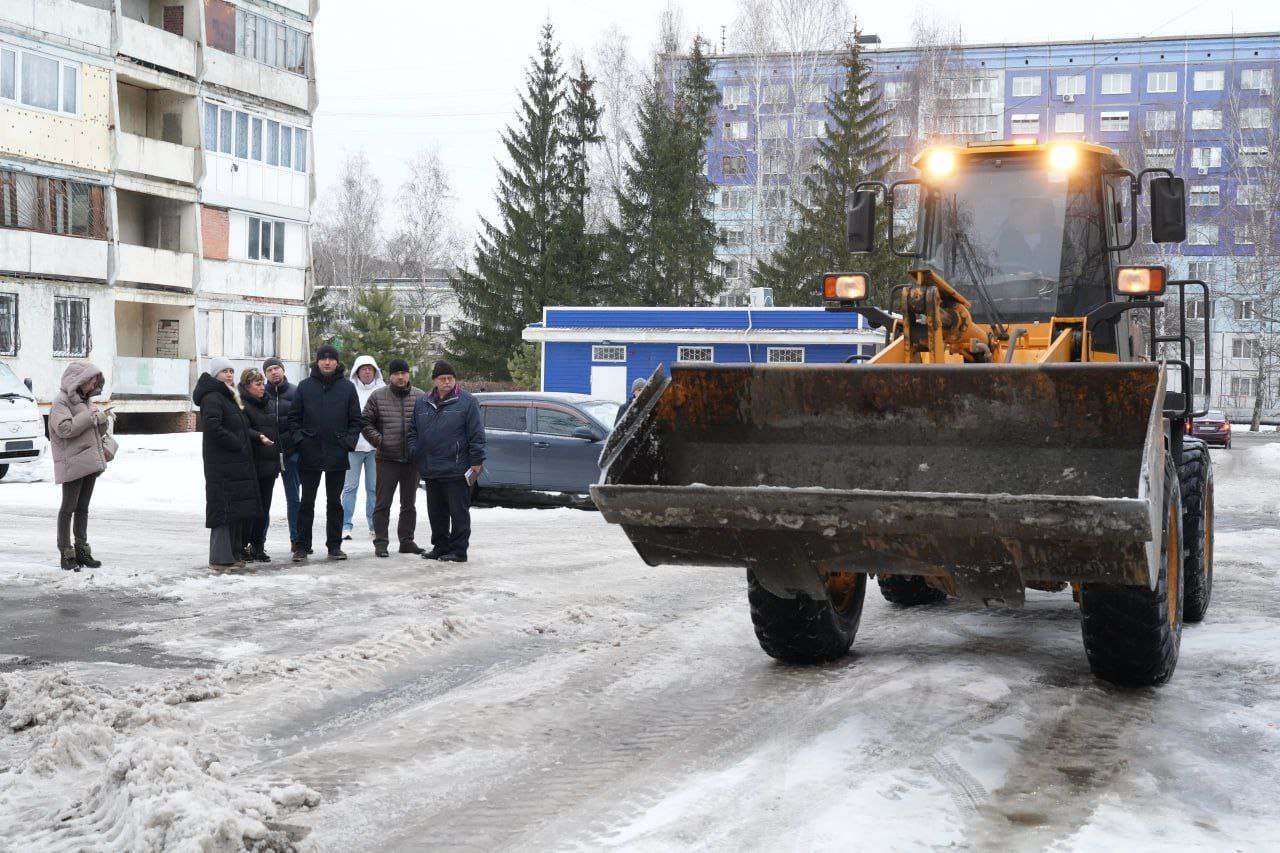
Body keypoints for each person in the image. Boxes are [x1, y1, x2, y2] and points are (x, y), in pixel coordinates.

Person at [285, 344, 362, 562]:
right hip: (309, 453)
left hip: (337, 453)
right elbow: (293, 418)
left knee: (335, 503)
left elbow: (356, 420)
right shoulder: (305, 386)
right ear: (317, 361)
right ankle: (302, 546)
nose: (327, 362)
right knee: (306, 502)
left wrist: (347, 442)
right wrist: (301, 441)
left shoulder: (347, 388)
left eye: (331, 359)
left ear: (337, 362)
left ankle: (334, 546)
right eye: (323, 358)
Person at [408, 360, 485, 563]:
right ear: (434, 380)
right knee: (436, 512)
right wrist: (415, 451)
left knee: (458, 513)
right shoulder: (422, 402)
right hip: (431, 466)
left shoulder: (467, 401)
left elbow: (477, 433)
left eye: (450, 378)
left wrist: (477, 460)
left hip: (457, 467)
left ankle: (459, 550)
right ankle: (440, 547)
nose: (447, 382)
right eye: (443, 378)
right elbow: (413, 431)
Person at [194, 358, 264, 571]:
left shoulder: (228, 395)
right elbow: (212, 427)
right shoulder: (213, 397)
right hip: (222, 464)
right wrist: (236, 443)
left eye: (231, 371)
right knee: (223, 511)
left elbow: (237, 425)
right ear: (215, 374)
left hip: (233, 463)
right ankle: (220, 558)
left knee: (234, 511)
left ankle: (232, 555)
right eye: (224, 371)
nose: (229, 375)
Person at [361, 358, 426, 558]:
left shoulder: (420, 396)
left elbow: (429, 424)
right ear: (390, 376)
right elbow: (365, 422)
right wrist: (381, 441)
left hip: (412, 461)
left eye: (403, 373)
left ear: (408, 374)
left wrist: (420, 446)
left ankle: (406, 541)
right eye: (396, 373)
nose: (400, 377)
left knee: (409, 504)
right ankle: (381, 542)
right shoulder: (378, 396)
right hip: (387, 459)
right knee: (383, 504)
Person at [50, 362, 111, 572]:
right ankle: (66, 552)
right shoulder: (61, 402)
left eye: (95, 381)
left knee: (83, 508)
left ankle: (82, 550)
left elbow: (93, 432)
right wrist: (88, 416)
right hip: (72, 463)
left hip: (88, 462)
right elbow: (64, 429)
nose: (94, 384)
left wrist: (102, 420)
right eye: (91, 380)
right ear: (79, 380)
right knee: (68, 508)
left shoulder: (86, 401)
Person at [238, 367, 282, 562]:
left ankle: (258, 545)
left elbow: (276, 430)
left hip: (269, 464)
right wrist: (259, 436)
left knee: (264, 508)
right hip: (251, 464)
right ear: (247, 386)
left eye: (262, 383)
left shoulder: (269, 403)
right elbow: (242, 429)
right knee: (249, 509)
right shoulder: (240, 404)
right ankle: (242, 546)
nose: (262, 387)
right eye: (258, 384)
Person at [342, 355, 383, 540]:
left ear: (375, 371)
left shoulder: (382, 390)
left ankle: (374, 525)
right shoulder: (349, 389)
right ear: (357, 371)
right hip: (353, 447)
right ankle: (345, 525)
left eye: (370, 368)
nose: (367, 372)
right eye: (363, 368)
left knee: (374, 488)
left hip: (375, 448)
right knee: (350, 487)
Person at [263, 357, 300, 550]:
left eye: (276, 368)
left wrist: (297, 444)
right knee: (264, 500)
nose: (274, 372)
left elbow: (303, 421)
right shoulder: (260, 393)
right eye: (269, 370)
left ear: (283, 370)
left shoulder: (296, 392)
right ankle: (259, 542)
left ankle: (297, 540)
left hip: (291, 453)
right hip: (267, 455)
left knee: (294, 499)